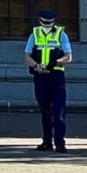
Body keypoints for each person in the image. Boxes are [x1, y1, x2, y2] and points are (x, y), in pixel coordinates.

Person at [24, 10, 72, 153]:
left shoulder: (61, 35)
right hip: (40, 76)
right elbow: (27, 56)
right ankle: (47, 141)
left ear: (54, 22)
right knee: (45, 110)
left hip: (56, 76)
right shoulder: (35, 34)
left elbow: (69, 56)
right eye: (44, 22)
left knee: (58, 111)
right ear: (40, 21)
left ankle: (60, 143)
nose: (46, 25)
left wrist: (55, 62)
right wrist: (36, 65)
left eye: (49, 22)